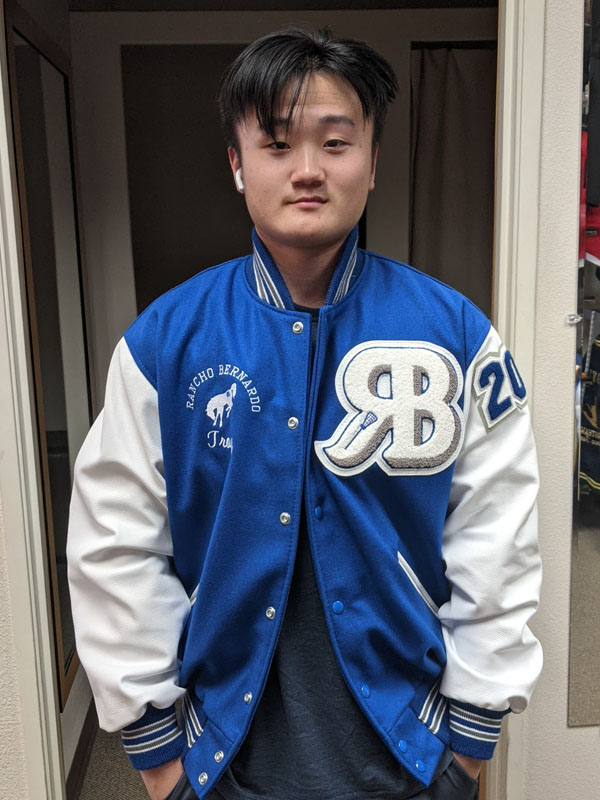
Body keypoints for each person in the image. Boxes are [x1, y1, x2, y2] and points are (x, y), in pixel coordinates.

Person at [67, 27, 543, 800]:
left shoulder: (454, 334)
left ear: (373, 163)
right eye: (278, 143)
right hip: (222, 750)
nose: (309, 169)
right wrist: (158, 757)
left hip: (412, 744)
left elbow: (498, 537)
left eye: (336, 142)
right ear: (237, 163)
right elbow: (114, 544)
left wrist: (469, 740)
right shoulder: (166, 342)